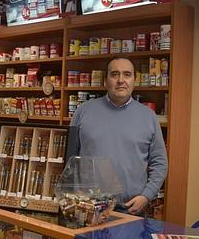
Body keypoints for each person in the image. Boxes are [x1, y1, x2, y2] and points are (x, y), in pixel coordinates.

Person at [70, 57, 168, 215]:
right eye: (114, 74)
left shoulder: (148, 117)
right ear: (105, 81)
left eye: (127, 74)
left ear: (134, 80)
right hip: (88, 208)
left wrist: (146, 196)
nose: (121, 80)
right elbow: (70, 158)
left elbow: (160, 163)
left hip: (130, 209)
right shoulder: (83, 112)